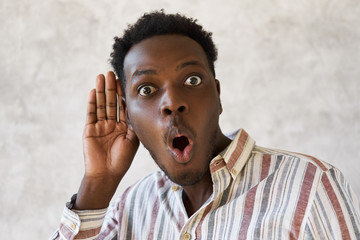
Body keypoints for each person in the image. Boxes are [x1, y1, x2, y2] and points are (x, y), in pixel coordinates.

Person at [52, 11, 360, 240]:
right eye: (147, 89)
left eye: (192, 80)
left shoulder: (311, 185)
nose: (172, 102)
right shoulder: (131, 206)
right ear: (127, 116)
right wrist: (97, 182)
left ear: (217, 95)